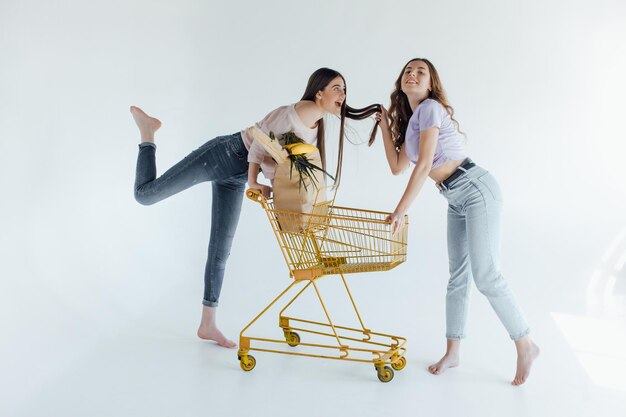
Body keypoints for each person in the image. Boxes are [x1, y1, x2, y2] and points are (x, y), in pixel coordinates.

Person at [131, 68, 379, 348]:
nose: (343, 95)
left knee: (220, 250)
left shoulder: (316, 124)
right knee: (145, 195)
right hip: (225, 154)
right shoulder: (297, 113)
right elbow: (260, 143)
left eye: (345, 90)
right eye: (337, 88)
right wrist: (253, 180)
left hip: (235, 176)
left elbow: (285, 162)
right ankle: (148, 133)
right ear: (319, 92)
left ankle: (207, 324)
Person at [376, 58, 539, 385]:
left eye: (420, 72)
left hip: (476, 189)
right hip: (455, 197)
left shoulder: (431, 108)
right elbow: (397, 166)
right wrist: (383, 127)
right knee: (458, 277)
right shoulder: (412, 123)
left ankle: (525, 344)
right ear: (401, 81)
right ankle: (453, 352)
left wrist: (400, 210)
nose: (413, 74)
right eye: (408, 70)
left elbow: (423, 166)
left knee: (487, 275)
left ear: (430, 84)